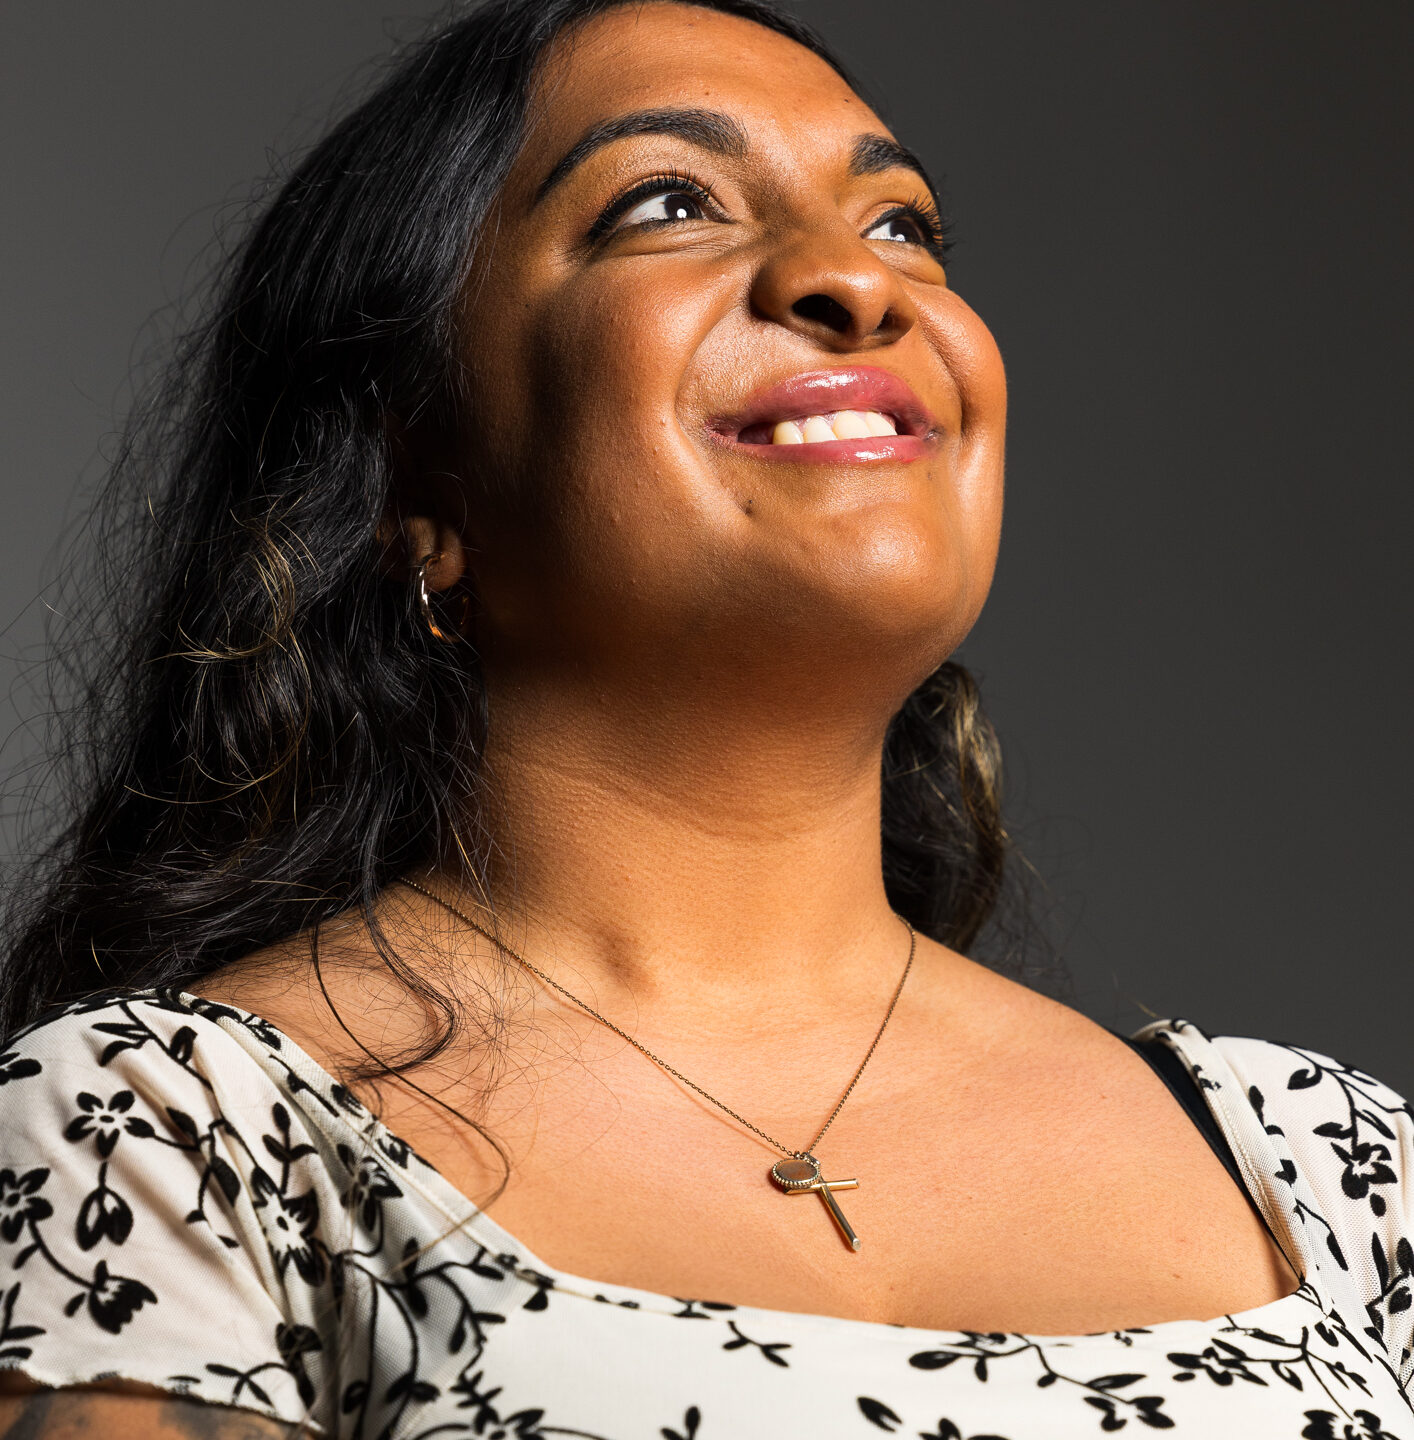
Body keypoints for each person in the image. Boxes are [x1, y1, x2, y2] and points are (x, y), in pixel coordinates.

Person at [0, 1, 1409, 1436]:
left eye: (903, 224)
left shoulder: (1335, 1171)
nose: (855, 284)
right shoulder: (171, 1142)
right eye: (666, 202)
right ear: (408, 472)